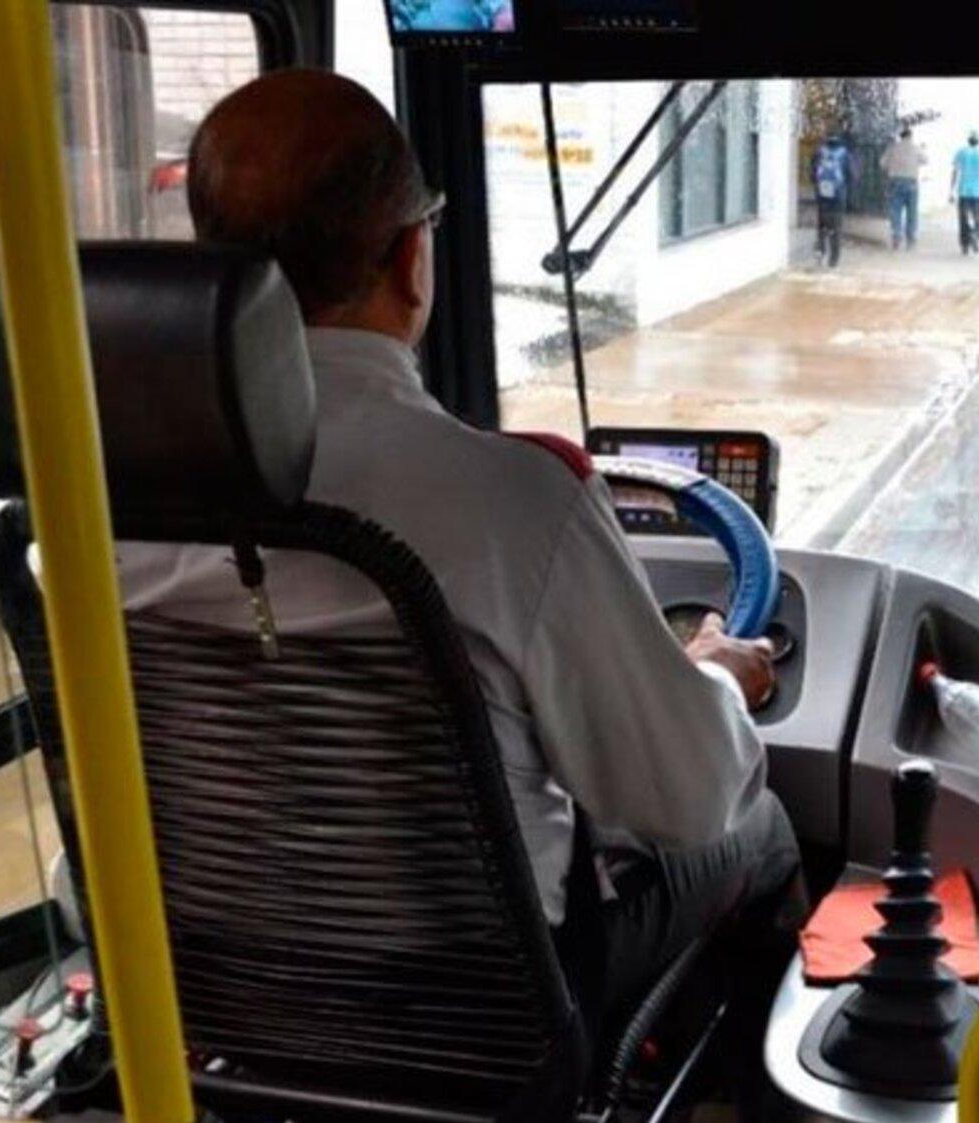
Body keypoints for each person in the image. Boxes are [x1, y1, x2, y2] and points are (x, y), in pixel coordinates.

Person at [118, 70, 802, 1035]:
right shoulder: (514, 501)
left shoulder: (98, 511)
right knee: (759, 825)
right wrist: (719, 678)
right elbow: (688, 797)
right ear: (411, 258)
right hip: (476, 1007)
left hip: (211, 989)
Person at [812, 132, 856, 267]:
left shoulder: (819, 152)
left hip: (822, 195)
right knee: (836, 227)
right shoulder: (845, 154)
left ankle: (820, 251)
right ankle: (833, 260)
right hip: (838, 196)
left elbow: (812, 174)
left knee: (821, 225)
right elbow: (852, 176)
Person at [881, 125, 925, 250]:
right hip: (912, 182)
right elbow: (925, 160)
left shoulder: (893, 148)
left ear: (901, 136)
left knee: (895, 210)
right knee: (912, 212)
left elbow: (882, 163)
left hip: (895, 181)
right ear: (911, 136)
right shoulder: (916, 148)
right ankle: (910, 238)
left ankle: (896, 235)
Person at [950, 131, 979, 255]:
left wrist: (951, 191)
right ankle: (975, 234)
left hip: (963, 191)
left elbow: (955, 172)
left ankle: (964, 245)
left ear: (968, 140)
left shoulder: (961, 152)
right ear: (978, 141)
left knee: (963, 220)